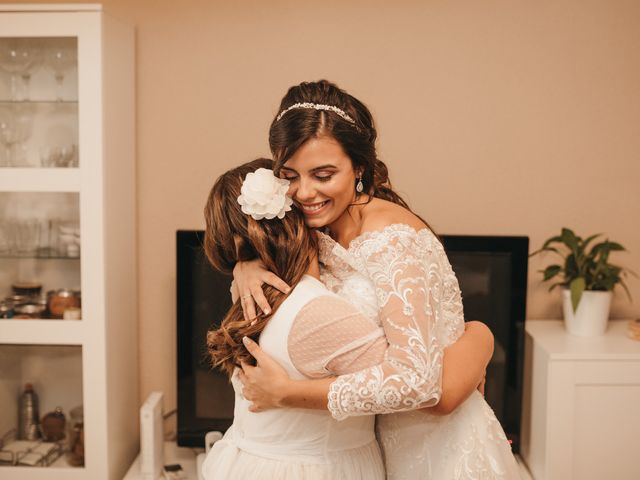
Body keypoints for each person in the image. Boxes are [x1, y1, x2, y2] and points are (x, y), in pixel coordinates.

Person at [232, 80, 522, 478]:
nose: (304, 192)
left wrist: (286, 394)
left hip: (439, 450)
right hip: (374, 445)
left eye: (323, 174)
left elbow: (419, 383)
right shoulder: (319, 227)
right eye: (290, 176)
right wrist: (244, 263)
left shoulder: (391, 240)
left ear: (360, 169)